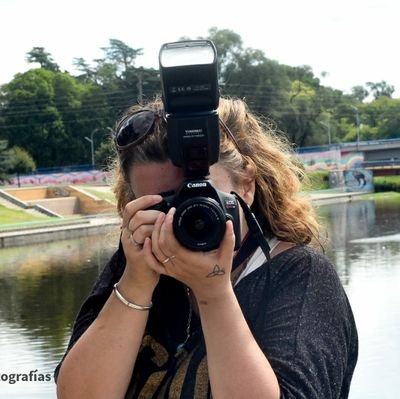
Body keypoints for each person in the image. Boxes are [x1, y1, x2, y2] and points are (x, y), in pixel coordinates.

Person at [55, 96, 358, 398]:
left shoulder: (299, 275)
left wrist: (213, 292)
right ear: (133, 204)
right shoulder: (134, 265)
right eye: (165, 204)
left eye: (203, 198)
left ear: (246, 185)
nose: (185, 216)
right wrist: (136, 283)